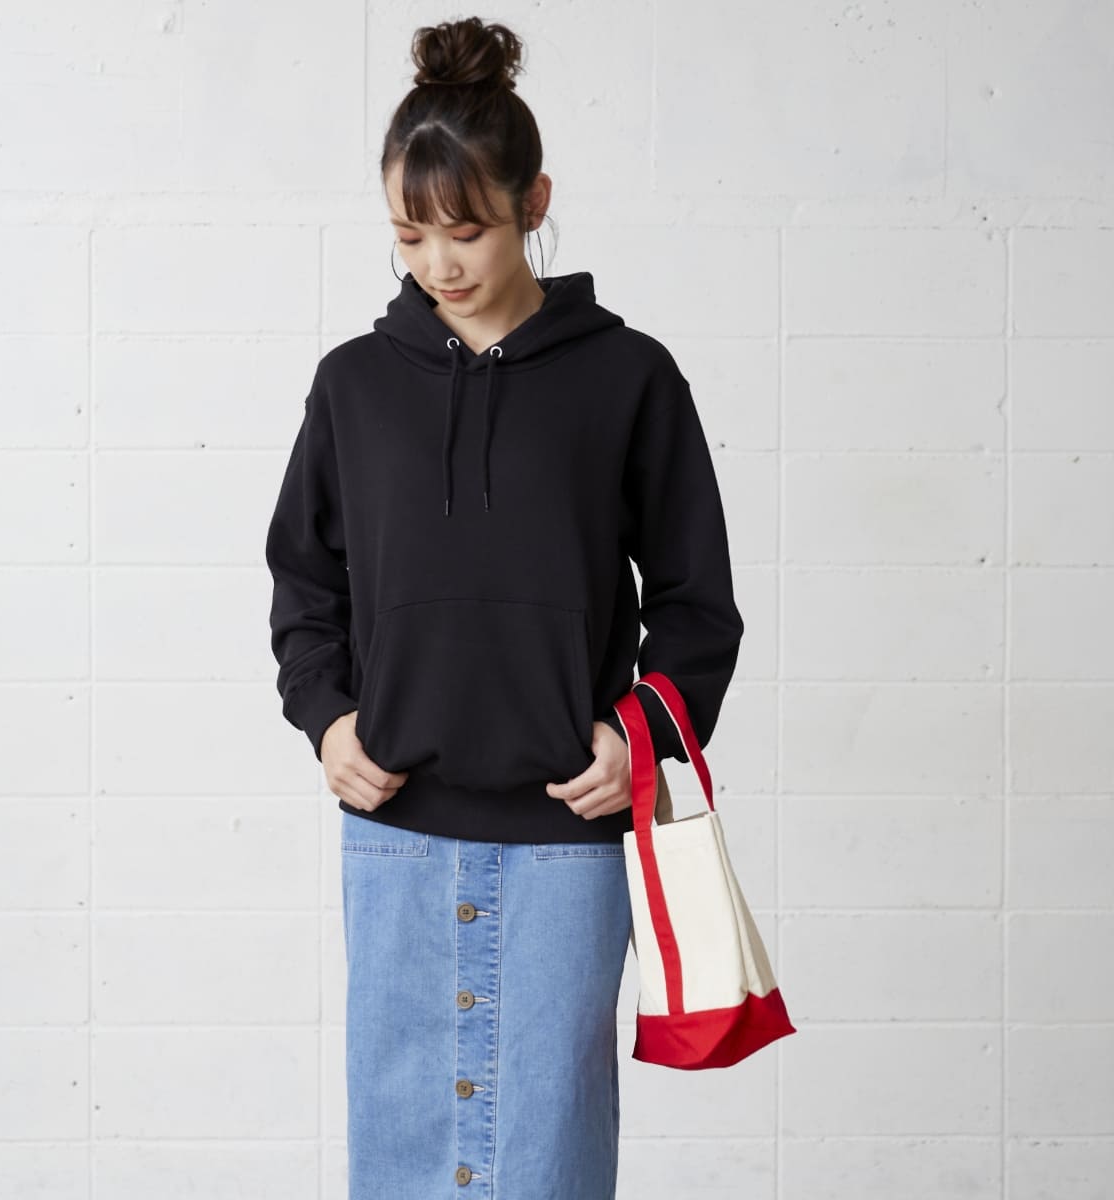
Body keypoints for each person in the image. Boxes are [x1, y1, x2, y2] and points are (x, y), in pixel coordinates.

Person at [264, 16, 744, 1199]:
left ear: (535, 201)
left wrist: (639, 735)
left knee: (547, 1154)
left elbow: (698, 604)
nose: (439, 262)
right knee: (401, 1152)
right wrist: (327, 721)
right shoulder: (354, 386)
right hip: (393, 834)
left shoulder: (629, 378)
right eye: (409, 235)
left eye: (466, 228)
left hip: (567, 844)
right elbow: (304, 582)